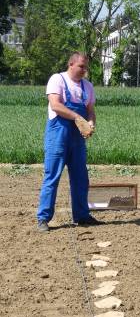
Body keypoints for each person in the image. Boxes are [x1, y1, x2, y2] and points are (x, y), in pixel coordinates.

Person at [37, 52, 101, 232]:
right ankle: (43, 218)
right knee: (52, 177)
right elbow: (56, 105)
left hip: (77, 140)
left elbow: (91, 110)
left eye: (86, 67)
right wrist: (77, 118)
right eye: (81, 66)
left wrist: (90, 123)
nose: (84, 70)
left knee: (81, 177)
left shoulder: (87, 86)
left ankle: (81, 216)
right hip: (58, 136)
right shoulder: (57, 80)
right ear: (71, 64)